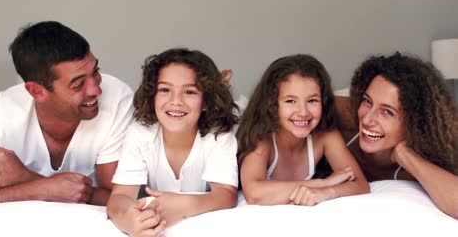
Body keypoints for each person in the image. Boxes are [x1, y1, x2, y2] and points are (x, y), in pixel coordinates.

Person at [0, 21, 133, 205]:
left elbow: (120, 199)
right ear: (36, 91)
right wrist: (41, 187)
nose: (96, 90)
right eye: (78, 84)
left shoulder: (117, 98)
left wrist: (24, 177)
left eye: (95, 71)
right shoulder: (4, 110)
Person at [107, 48, 239, 236]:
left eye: (190, 92)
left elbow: (226, 195)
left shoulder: (218, 136)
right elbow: (120, 196)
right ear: (152, 95)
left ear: (206, 101)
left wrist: (184, 204)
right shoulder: (139, 134)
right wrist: (129, 220)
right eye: (165, 90)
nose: (176, 101)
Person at [237, 54, 369, 206]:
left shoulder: (326, 136)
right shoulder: (262, 136)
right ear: (272, 104)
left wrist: (327, 192)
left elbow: (361, 184)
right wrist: (324, 183)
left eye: (312, 100)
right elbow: (255, 193)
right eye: (290, 101)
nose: (303, 112)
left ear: (323, 102)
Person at [348, 52, 458, 219]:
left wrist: (404, 154)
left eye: (387, 112)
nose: (368, 119)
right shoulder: (340, 119)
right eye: (367, 101)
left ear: (415, 121)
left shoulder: (425, 157)